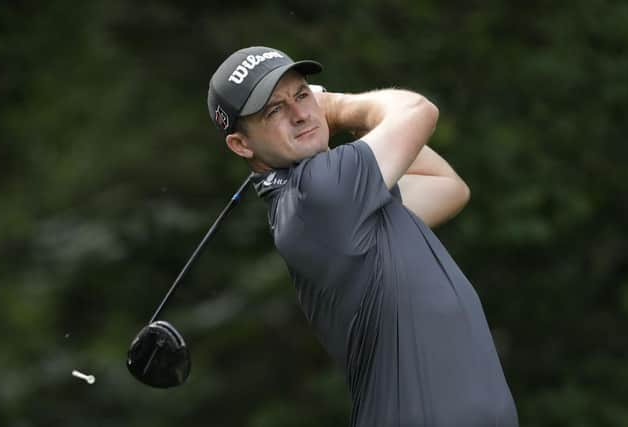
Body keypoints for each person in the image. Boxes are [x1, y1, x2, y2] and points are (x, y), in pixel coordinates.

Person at [207, 46, 519, 427]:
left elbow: (446, 186)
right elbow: (419, 111)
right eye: (274, 110)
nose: (300, 113)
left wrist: (351, 124)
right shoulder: (320, 191)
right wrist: (337, 107)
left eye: (303, 95)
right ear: (241, 144)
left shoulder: (339, 199)